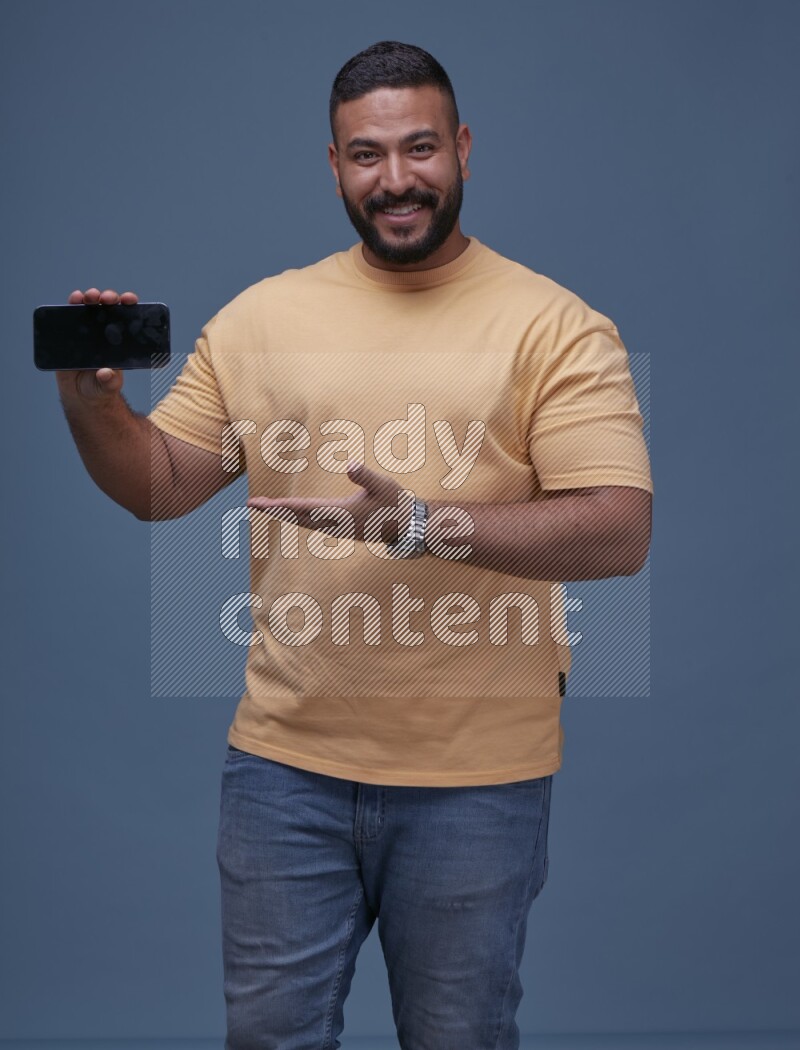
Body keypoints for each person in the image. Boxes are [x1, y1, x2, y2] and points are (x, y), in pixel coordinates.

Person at [57, 40, 652, 1050]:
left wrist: (421, 527)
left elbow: (616, 530)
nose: (397, 180)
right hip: (282, 773)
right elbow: (157, 487)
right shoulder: (260, 319)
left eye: (419, 148)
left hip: (477, 781)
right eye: (366, 155)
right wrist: (89, 400)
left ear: (461, 148)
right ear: (332, 167)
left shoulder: (552, 327)